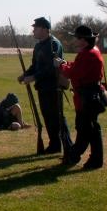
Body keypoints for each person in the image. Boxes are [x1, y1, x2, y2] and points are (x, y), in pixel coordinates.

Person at [18, 17, 72, 156]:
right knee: (48, 117)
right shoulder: (38, 46)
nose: (33, 31)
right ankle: (54, 145)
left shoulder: (53, 44)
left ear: (44, 29)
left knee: (57, 117)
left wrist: (34, 77)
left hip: (54, 87)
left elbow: (49, 68)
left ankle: (68, 147)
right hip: (42, 87)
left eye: (36, 28)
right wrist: (25, 75)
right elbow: (35, 66)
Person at [56, 25, 106, 170]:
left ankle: (77, 156)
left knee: (85, 130)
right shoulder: (91, 51)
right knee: (91, 130)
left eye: (77, 38)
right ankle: (87, 158)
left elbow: (73, 73)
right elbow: (77, 67)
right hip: (89, 95)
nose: (75, 40)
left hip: (87, 97)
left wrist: (61, 66)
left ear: (83, 40)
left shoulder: (88, 54)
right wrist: (65, 64)